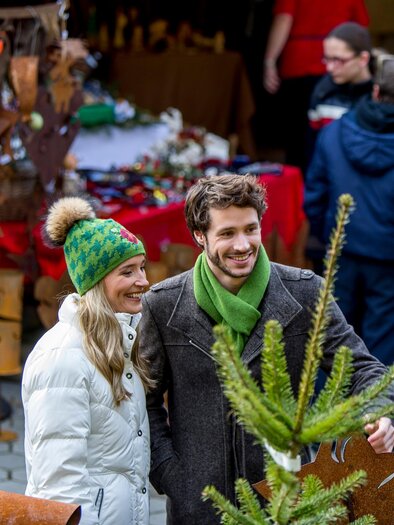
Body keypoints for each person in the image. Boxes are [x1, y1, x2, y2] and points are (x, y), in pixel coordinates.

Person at [140, 174, 394, 524]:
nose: (242, 244)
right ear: (200, 236)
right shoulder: (163, 305)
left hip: (291, 500)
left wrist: (380, 414)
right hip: (199, 507)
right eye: (227, 233)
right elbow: (144, 402)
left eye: (251, 229)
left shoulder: (304, 293)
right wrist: (172, 474)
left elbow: (365, 369)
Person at [22, 197, 152, 525]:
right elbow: (59, 485)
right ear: (96, 281)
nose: (144, 280)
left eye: (142, 266)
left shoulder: (121, 342)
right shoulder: (62, 359)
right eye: (128, 271)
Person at [304, 55, 394, 367]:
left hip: (340, 248)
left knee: (333, 338)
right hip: (387, 259)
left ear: (375, 91)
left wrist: (324, 235)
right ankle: (376, 412)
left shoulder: (334, 133)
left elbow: (314, 195)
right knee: (381, 342)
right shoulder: (335, 132)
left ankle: (329, 411)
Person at [262, 0, 369, 171]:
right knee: (331, 129)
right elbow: (359, 29)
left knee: (296, 133)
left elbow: (284, 19)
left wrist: (270, 60)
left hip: (298, 61)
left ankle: (297, 184)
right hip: (337, 65)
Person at [307, 22, 373, 161]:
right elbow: (314, 146)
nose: (329, 68)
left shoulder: (383, 94)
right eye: (327, 59)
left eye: (338, 60)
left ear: (363, 59)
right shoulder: (322, 92)